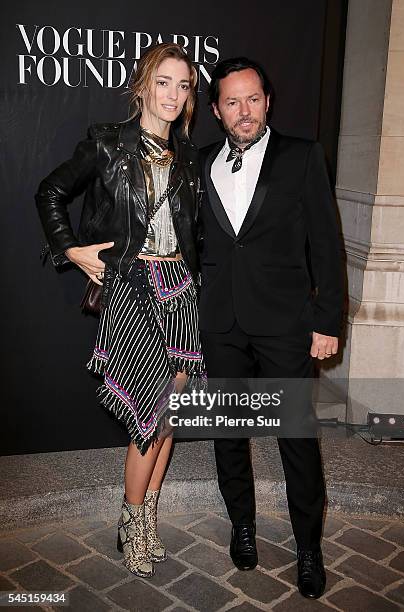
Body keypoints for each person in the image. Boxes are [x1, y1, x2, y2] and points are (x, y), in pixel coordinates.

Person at [35, 43, 205, 578]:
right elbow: (50, 192)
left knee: (170, 414)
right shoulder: (108, 144)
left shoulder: (188, 159)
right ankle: (130, 525)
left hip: (180, 288)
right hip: (133, 288)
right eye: (164, 82)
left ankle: (149, 520)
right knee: (146, 421)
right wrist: (70, 248)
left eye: (183, 85)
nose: (174, 95)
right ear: (142, 86)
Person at [198, 57, 343, 599]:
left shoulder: (302, 156)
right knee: (229, 435)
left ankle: (309, 546)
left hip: (285, 324)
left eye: (252, 99)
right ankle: (242, 524)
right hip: (221, 324)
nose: (244, 111)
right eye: (231, 102)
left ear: (268, 101)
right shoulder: (203, 162)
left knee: (297, 439)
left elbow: (326, 245)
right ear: (215, 110)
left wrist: (327, 319)